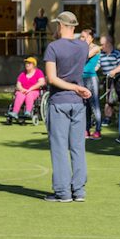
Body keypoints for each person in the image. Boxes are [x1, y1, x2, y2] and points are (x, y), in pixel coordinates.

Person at [42, 11, 91, 203]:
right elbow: (94, 48)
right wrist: (79, 88)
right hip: (78, 103)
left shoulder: (53, 47)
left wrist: (75, 87)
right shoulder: (82, 46)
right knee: (78, 147)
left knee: (60, 147)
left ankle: (63, 192)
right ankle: (78, 190)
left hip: (60, 101)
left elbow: (52, 79)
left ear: (61, 26)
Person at [80, 28, 103, 139]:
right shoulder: (82, 48)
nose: (81, 39)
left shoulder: (96, 48)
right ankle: (86, 129)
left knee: (95, 105)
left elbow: (85, 56)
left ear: (91, 37)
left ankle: (98, 130)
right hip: (82, 78)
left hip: (91, 79)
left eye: (84, 37)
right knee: (85, 105)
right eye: (81, 37)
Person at [97, 34, 120, 121]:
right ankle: (107, 118)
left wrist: (114, 71)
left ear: (108, 43)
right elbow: (97, 65)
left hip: (119, 80)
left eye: (102, 44)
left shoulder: (117, 53)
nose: (101, 47)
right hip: (108, 80)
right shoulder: (101, 54)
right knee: (108, 100)